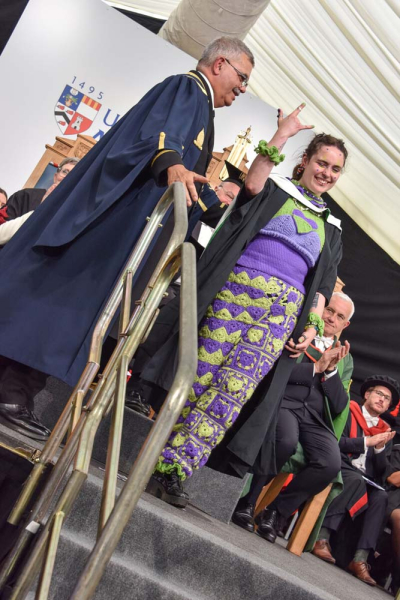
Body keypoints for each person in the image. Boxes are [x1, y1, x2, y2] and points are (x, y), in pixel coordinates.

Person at [0, 37, 254, 441]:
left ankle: (16, 394)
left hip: (125, 230)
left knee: (72, 313)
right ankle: (12, 396)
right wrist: (171, 164)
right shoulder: (187, 88)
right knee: (63, 310)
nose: (242, 88)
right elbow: (163, 141)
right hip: (113, 225)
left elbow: (188, 174)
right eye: (242, 77)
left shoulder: (202, 108)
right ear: (220, 64)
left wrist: (222, 212)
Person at [142, 112, 348, 509]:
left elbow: (322, 287)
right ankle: (156, 451)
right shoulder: (276, 188)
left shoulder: (333, 227)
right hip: (237, 293)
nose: (327, 173)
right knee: (200, 375)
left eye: (335, 169)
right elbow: (251, 184)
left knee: (231, 392)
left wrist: (310, 326)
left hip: (281, 315)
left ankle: (176, 468)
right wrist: (282, 134)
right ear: (305, 161)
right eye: (322, 163)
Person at [232, 292, 354, 541]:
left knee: (330, 464)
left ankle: (275, 512)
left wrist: (331, 370)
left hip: (315, 418)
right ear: (320, 309)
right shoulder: (300, 331)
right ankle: (248, 502)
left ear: (345, 324)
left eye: (339, 316)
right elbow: (276, 370)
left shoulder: (345, 357)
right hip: (285, 402)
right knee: (285, 441)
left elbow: (340, 404)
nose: (332, 318)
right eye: (329, 310)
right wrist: (316, 367)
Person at [312, 375, 399, 587]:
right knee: (356, 480)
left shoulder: (385, 431)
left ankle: (360, 559)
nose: (382, 400)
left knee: (381, 496)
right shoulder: (348, 412)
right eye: (379, 394)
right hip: (340, 465)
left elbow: (382, 472)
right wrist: (367, 442)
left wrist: (379, 449)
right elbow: (334, 441)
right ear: (367, 394)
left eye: (387, 399)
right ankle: (321, 537)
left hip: (365, 477)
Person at [0, 158, 78, 224]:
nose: (67, 177)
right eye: (65, 172)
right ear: (55, 177)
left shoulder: (75, 213)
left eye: (74, 175)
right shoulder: (25, 196)